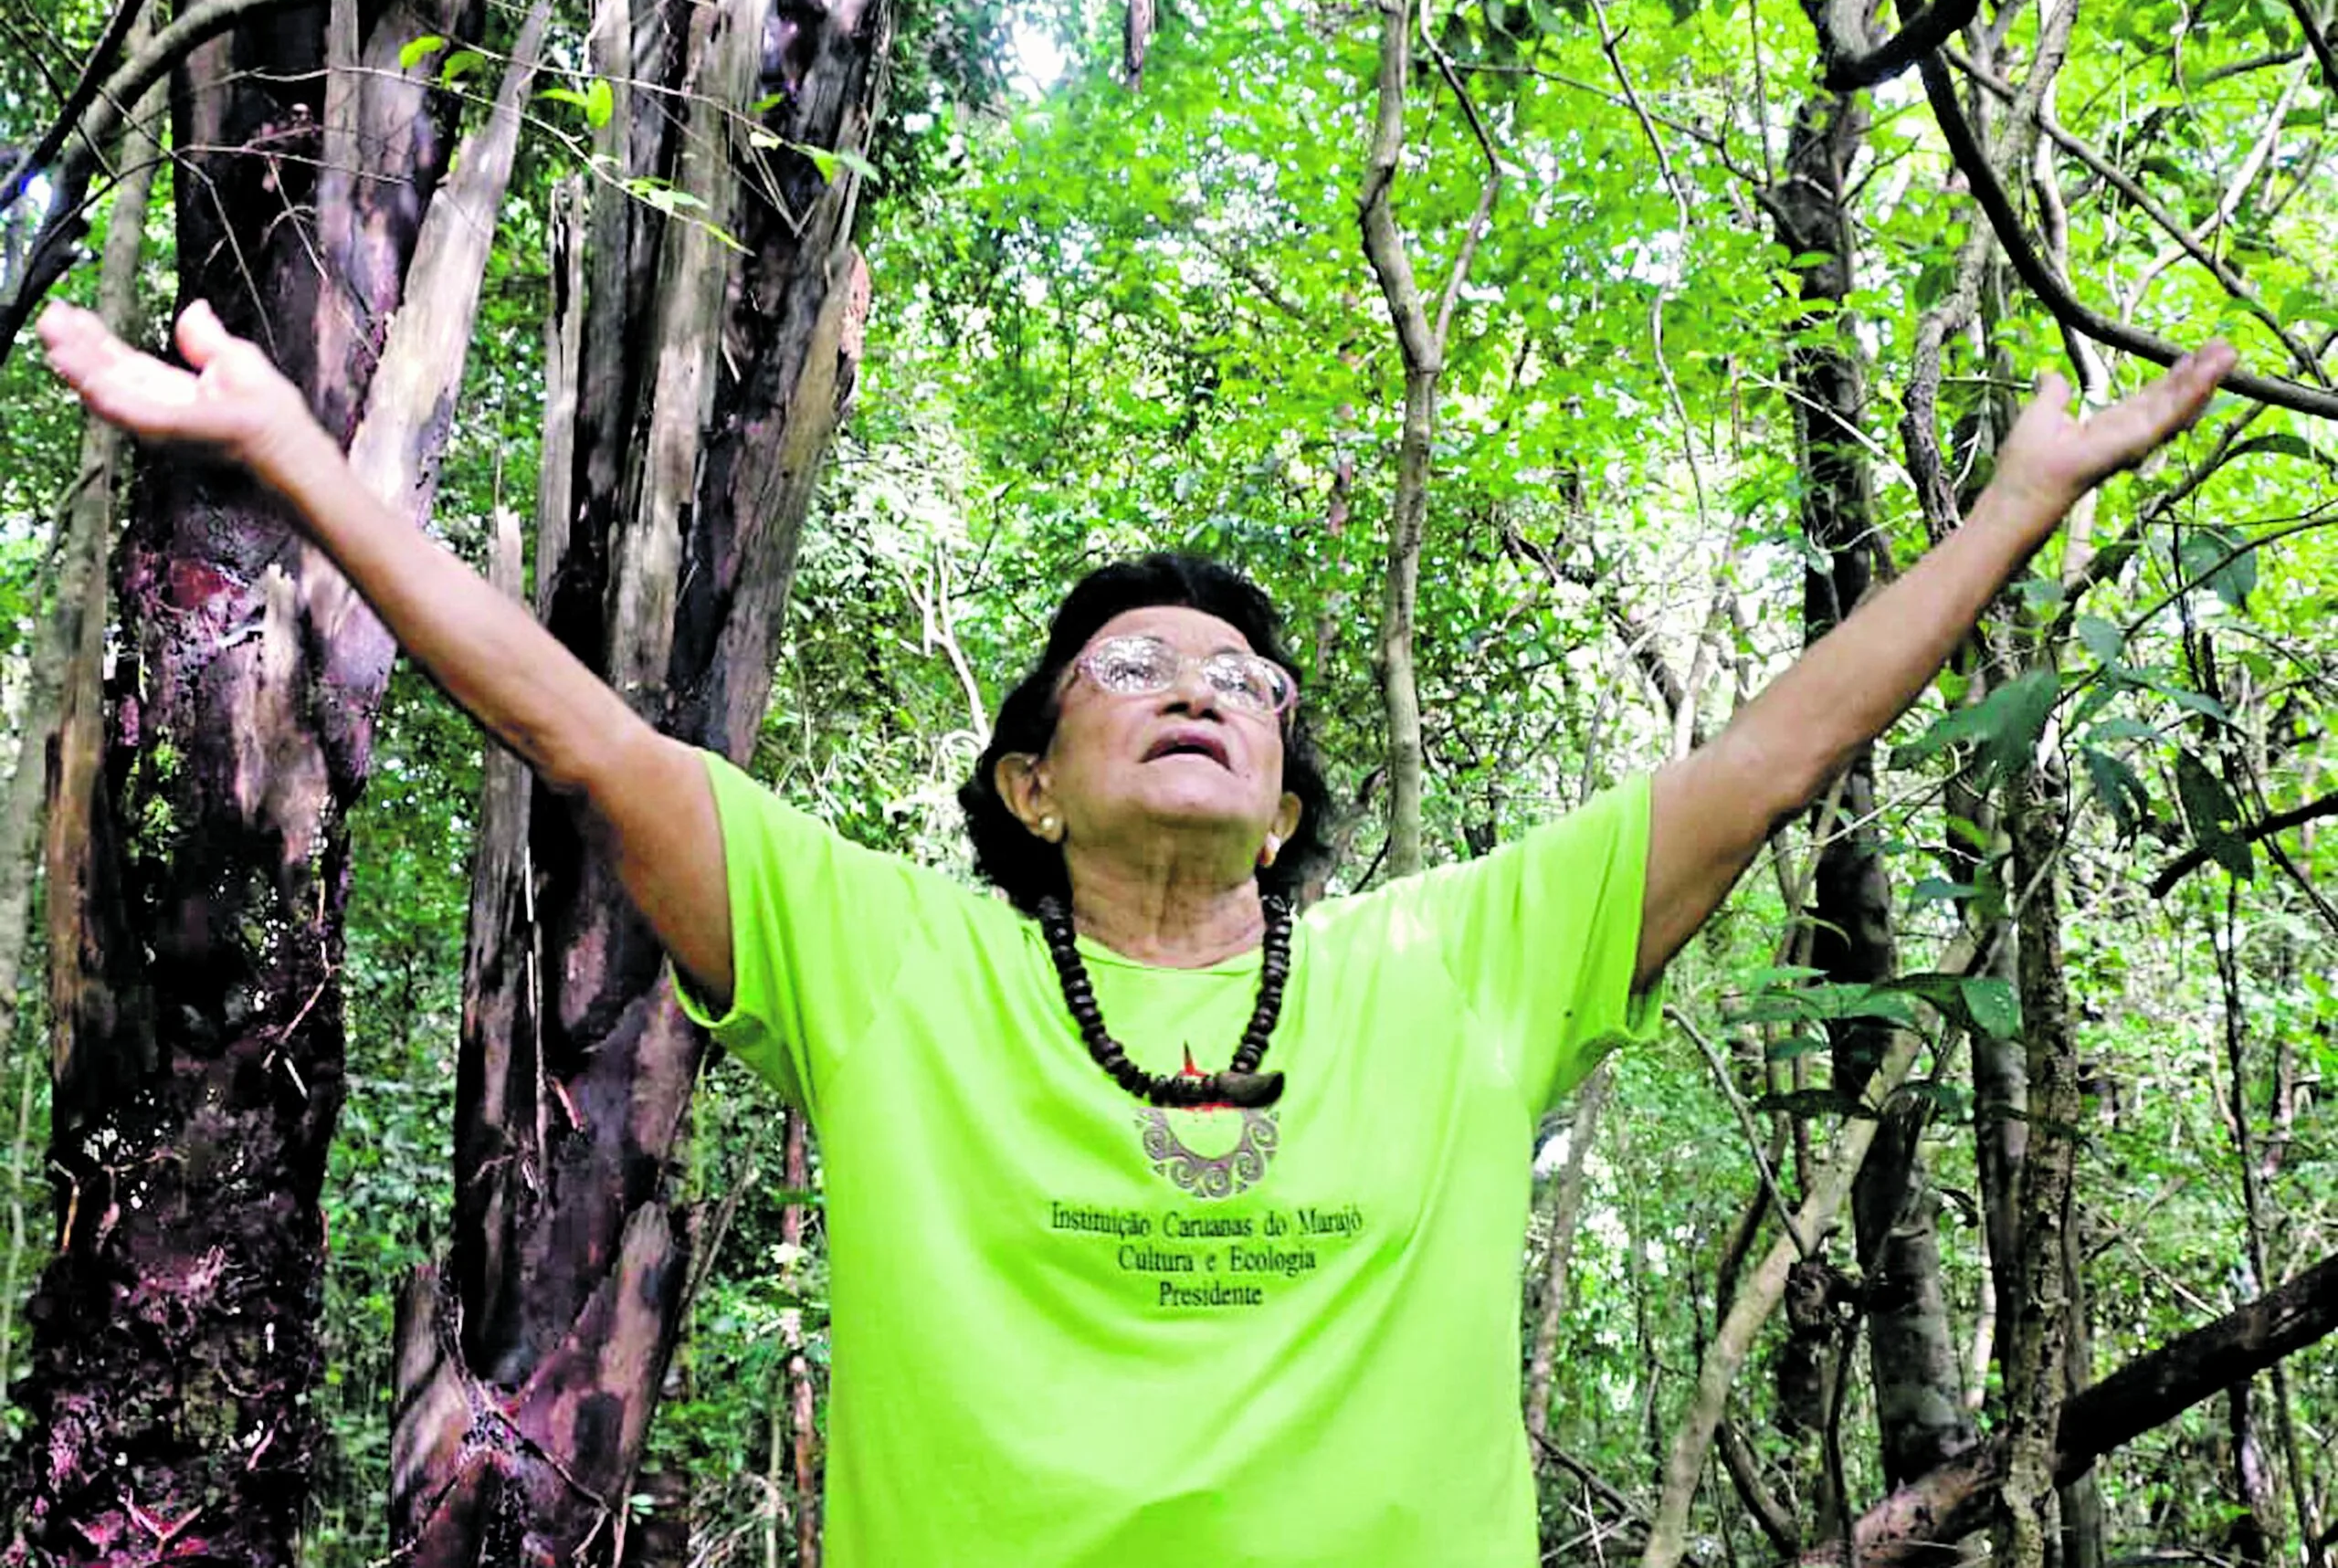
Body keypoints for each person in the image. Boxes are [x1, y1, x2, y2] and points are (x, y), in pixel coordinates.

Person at [36, 297, 2234, 1567]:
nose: (1196, 684)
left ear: (1286, 797)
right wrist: (304, 458)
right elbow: (589, 734)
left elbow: (1767, 759)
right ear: (1021, 781)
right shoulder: (890, 955)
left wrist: (2012, 503)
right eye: (1131, 664)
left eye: (1244, 683)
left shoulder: (1455, 960)